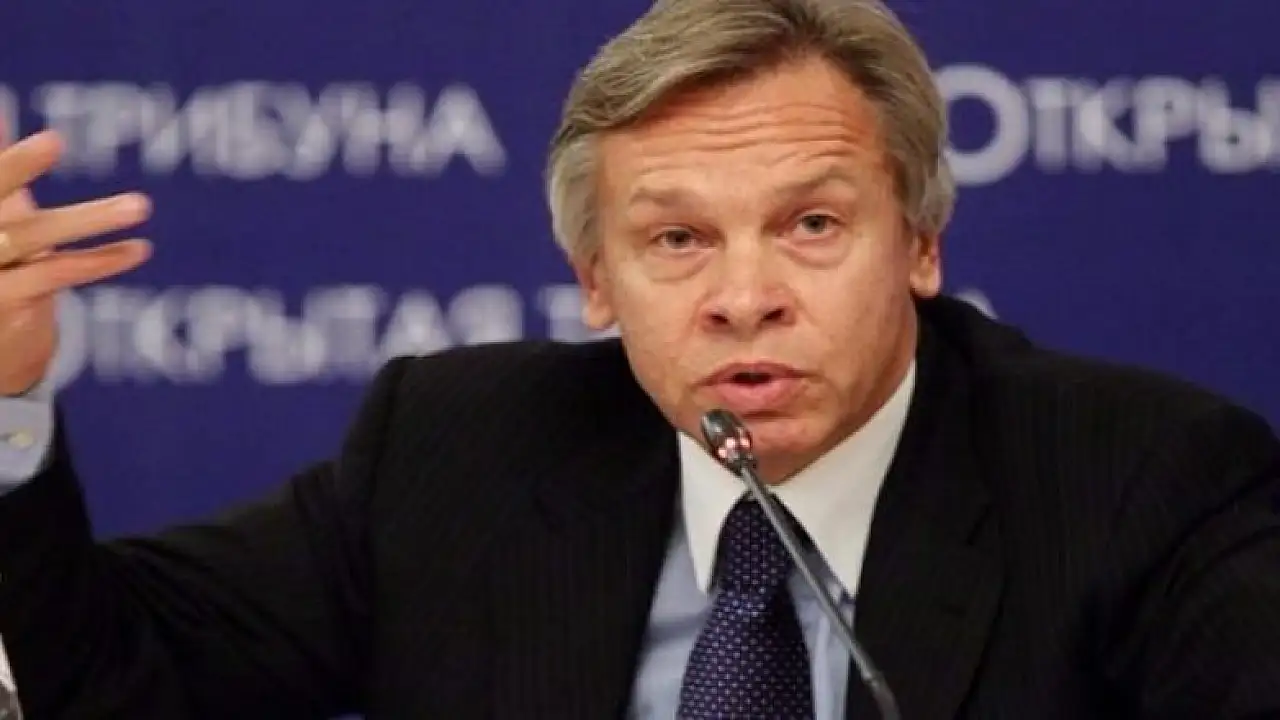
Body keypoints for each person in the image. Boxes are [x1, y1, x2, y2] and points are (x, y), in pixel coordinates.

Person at [1, 0, 1278, 717]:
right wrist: (5, 396)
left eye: (811, 225)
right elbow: (104, 680)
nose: (743, 300)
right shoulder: (459, 450)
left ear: (921, 245)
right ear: (596, 283)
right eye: (676, 240)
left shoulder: (1137, 481)